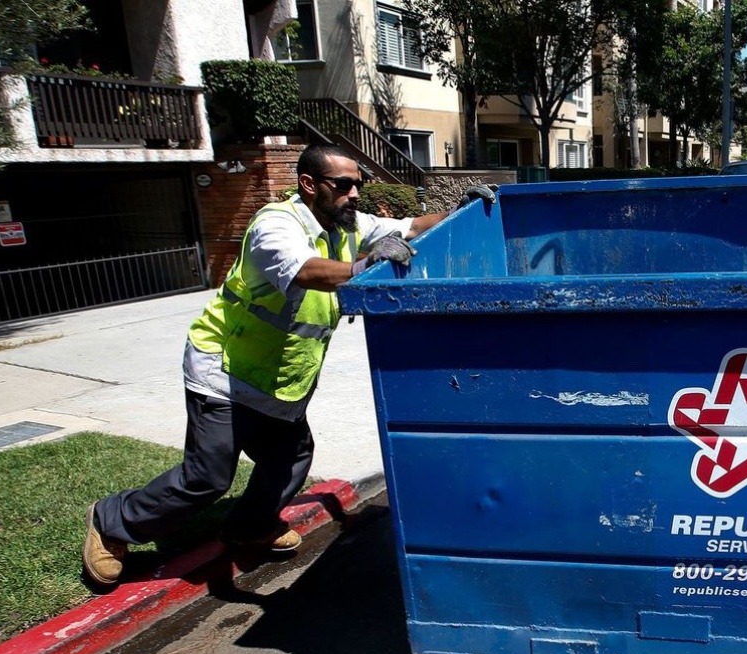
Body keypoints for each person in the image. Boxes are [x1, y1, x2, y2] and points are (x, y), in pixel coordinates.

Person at [82, 143, 482, 587]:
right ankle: (111, 521)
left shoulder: (345, 224)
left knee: (291, 458)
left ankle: (248, 527)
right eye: (344, 185)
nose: (354, 194)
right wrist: (368, 263)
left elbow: (409, 227)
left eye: (359, 185)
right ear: (309, 184)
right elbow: (304, 271)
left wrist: (459, 213)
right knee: (208, 477)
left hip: (278, 379)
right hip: (225, 371)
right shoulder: (275, 225)